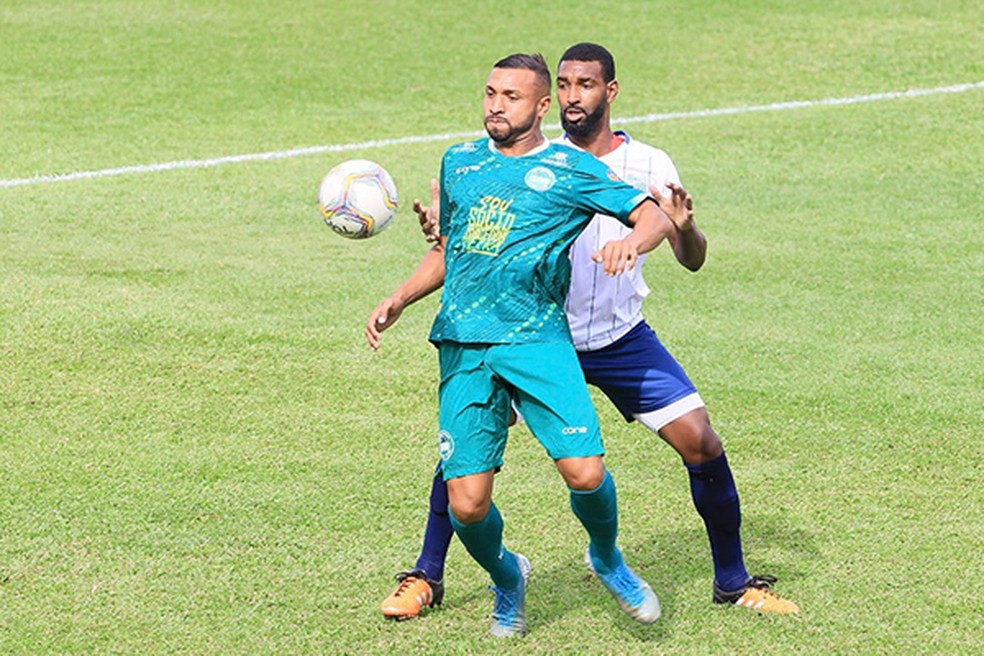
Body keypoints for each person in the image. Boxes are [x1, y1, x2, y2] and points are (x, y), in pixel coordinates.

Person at [379, 43, 800, 621]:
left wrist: (677, 229)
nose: (576, 97)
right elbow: (467, 245)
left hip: (617, 337)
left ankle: (731, 580)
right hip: (535, 336)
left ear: (609, 91)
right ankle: (427, 573)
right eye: (567, 86)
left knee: (699, 440)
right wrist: (431, 254)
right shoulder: (501, 161)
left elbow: (686, 251)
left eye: (586, 85)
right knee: (466, 460)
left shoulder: (645, 165)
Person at [366, 52, 678, 638]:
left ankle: (607, 558)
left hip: (537, 339)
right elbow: (450, 250)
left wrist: (632, 242)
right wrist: (401, 297)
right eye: (489, 94)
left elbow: (653, 216)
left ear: (541, 106)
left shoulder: (569, 167)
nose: (495, 106)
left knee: (585, 473)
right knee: (467, 505)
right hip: (464, 345)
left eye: (510, 97)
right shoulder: (458, 162)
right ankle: (508, 577)